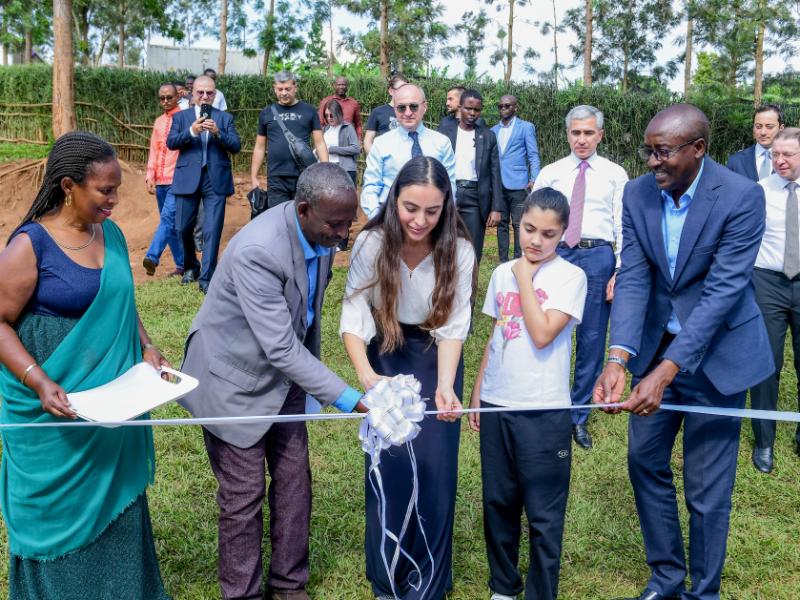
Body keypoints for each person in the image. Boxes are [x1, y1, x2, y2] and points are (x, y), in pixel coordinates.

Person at [594, 104, 774, 600]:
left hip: (718, 356)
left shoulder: (741, 197)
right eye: (648, 151)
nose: (652, 161)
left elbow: (721, 293)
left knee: (706, 486)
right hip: (655, 348)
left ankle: (705, 590)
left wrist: (667, 372)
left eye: (664, 152)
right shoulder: (636, 193)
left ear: (698, 149)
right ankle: (668, 577)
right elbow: (634, 273)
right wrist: (619, 358)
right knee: (643, 460)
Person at [180, 163, 371, 600]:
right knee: (243, 498)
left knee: (293, 483)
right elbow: (281, 348)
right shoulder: (259, 250)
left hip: (286, 379)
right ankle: (243, 594)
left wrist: (309, 385)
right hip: (232, 382)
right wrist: (348, 398)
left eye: (349, 222)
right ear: (304, 209)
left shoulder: (320, 234)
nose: (344, 234)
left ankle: (288, 586)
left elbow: (306, 320)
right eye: (337, 224)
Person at [0, 131, 171, 599]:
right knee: (57, 519)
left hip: (112, 413)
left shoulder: (110, 233)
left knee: (118, 508)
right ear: (69, 186)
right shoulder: (30, 246)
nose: (114, 200)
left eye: (117, 189)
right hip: (54, 413)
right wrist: (38, 380)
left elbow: (121, 298)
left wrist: (146, 346)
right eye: (105, 190)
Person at [341, 156, 476, 600]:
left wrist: (445, 384)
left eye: (432, 211)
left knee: (436, 467)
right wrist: (367, 376)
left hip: (436, 357)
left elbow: (455, 325)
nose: (420, 220)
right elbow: (355, 312)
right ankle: (387, 577)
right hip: (387, 355)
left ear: (446, 207)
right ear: (394, 199)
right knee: (390, 464)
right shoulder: (371, 243)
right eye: (410, 208)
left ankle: (430, 581)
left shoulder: (459, 249)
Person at [469, 188, 587, 600]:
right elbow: (498, 331)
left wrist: (523, 276)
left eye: (548, 234)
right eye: (529, 230)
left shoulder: (571, 277)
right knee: (498, 501)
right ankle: (503, 586)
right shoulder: (502, 272)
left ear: (563, 234)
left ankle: (541, 592)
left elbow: (540, 334)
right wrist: (480, 389)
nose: (536, 241)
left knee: (543, 512)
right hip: (499, 404)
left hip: (543, 410)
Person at [533, 104, 628, 450]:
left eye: (589, 132)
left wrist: (620, 269)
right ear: (568, 133)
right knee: (551, 333)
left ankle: (578, 416)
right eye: (576, 132)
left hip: (597, 256)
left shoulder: (616, 174)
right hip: (558, 255)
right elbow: (535, 220)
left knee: (591, 339)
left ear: (600, 135)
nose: (582, 139)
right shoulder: (551, 172)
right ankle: (549, 407)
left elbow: (622, 224)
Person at [748, 127, 800, 473]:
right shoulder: (759, 192)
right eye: (775, 155)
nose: (779, 161)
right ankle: (764, 441)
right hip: (767, 282)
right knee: (767, 363)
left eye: (788, 155)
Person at [167, 75, 241, 294]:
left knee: (212, 229)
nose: (205, 96)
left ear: (215, 94)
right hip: (187, 178)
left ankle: (207, 278)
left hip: (215, 179)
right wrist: (192, 132)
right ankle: (191, 267)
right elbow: (171, 142)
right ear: (193, 93)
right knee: (182, 228)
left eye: (210, 93)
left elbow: (236, 146)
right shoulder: (182, 118)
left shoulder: (224, 118)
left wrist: (218, 132)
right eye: (201, 92)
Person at [361, 84, 456, 218]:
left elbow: (450, 186)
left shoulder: (441, 143)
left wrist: (443, 218)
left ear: (425, 106)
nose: (407, 113)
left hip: (430, 219)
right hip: (390, 215)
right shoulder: (381, 144)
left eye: (413, 106)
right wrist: (378, 219)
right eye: (401, 108)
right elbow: (371, 185)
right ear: (394, 109)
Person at [438, 88, 502, 263]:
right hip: (448, 194)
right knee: (444, 244)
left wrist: (496, 207)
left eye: (477, 110)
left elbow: (495, 172)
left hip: (475, 198)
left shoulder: (488, 136)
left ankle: (469, 289)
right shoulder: (445, 133)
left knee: (472, 249)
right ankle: (445, 288)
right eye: (468, 108)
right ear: (460, 107)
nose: (472, 113)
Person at [251, 71, 329, 212]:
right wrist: (253, 176)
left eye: (288, 89)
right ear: (275, 89)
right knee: (277, 217)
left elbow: (320, 143)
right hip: (276, 177)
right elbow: (259, 147)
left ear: (295, 87)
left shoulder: (309, 111)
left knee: (303, 217)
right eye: (280, 89)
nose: (284, 93)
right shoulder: (266, 113)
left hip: (304, 176)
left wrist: (325, 171)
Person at [143, 83, 185, 277]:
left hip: (178, 179)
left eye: (169, 97)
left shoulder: (185, 118)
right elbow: (153, 149)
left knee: (167, 219)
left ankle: (152, 256)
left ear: (178, 97)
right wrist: (150, 175)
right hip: (160, 180)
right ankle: (182, 265)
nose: (166, 101)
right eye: (162, 98)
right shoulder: (158, 121)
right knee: (170, 224)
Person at [492, 95, 541, 261]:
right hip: (498, 185)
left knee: (519, 224)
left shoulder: (526, 127)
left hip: (519, 184)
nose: (503, 108)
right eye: (500, 106)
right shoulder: (493, 131)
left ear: (515, 107)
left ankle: (519, 259)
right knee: (501, 224)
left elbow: (533, 155)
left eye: (507, 105)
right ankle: (503, 261)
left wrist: (534, 179)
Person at [727, 104, 785, 181]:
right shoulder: (736, 161)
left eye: (769, 127)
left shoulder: (793, 160)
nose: (763, 132)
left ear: (781, 129)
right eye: (758, 127)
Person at [363, 73, 409, 154]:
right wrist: (375, 160)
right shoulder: (378, 112)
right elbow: (368, 141)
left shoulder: (411, 113)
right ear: (391, 91)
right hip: (385, 159)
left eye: (406, 89)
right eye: (400, 89)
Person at [322, 98, 360, 185]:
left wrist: (332, 149)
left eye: (331, 115)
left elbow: (355, 149)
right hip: (327, 169)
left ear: (338, 113)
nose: (329, 118)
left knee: (346, 197)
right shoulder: (325, 129)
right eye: (326, 115)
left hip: (345, 169)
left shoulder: (348, 127)